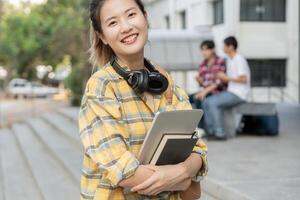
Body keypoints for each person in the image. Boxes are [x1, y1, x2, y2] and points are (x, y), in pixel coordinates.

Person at [78, 0, 208, 199]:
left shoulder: (167, 84)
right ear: (102, 36)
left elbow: (197, 148)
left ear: (145, 18)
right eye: (113, 23)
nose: (126, 27)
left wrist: (182, 172)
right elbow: (121, 167)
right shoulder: (101, 87)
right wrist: (181, 178)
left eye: (131, 15)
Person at [202, 36, 251, 140]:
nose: (223, 48)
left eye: (224, 46)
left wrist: (226, 78)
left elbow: (243, 79)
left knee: (213, 103)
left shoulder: (239, 59)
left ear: (231, 47)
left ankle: (220, 133)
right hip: (231, 92)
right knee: (206, 101)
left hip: (239, 94)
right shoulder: (229, 60)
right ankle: (211, 131)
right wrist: (220, 77)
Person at [188, 40, 226, 129]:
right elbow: (204, 83)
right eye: (202, 50)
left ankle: (205, 129)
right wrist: (200, 81)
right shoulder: (202, 64)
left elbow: (219, 82)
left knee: (199, 99)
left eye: (206, 50)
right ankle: (197, 127)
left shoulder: (220, 61)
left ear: (212, 50)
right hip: (205, 90)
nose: (203, 52)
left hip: (217, 91)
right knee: (187, 98)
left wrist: (204, 92)